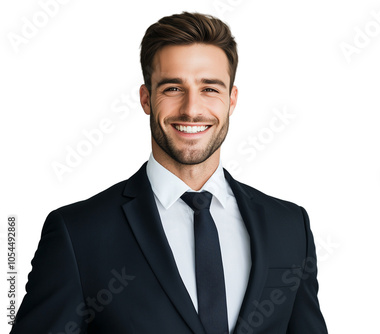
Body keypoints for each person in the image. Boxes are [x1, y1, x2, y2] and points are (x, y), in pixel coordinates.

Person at [10, 12, 328, 334]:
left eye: (210, 89)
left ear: (231, 100)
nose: (191, 108)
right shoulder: (77, 234)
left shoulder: (290, 227)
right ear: (146, 98)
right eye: (174, 88)